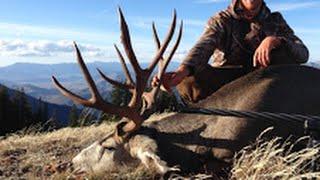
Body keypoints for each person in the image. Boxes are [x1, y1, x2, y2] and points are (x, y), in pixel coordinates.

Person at [152, 0, 309, 102]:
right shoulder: (222, 19)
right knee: (188, 82)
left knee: (283, 53)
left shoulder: (276, 20)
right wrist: (182, 71)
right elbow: (204, 46)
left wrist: (275, 40)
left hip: (264, 82)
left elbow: (303, 54)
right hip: (227, 81)